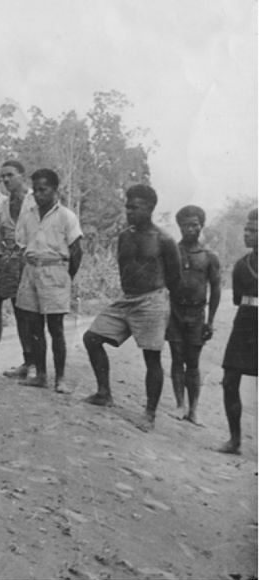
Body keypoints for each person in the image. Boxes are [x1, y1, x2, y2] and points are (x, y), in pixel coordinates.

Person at [82, 184, 180, 430]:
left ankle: (149, 414)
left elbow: (175, 278)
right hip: (127, 299)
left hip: (152, 300)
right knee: (92, 338)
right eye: (127, 206)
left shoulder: (165, 240)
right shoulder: (125, 236)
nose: (129, 211)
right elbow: (124, 267)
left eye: (135, 207)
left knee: (152, 357)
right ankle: (104, 393)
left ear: (150, 208)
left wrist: (167, 312)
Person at [13, 168, 83, 393]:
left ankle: (60, 378)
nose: (38, 195)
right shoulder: (28, 215)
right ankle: (41, 375)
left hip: (56, 271)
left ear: (55, 190)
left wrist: (65, 276)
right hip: (32, 270)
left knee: (56, 328)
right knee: (34, 326)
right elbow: (21, 244)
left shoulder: (66, 217)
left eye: (43, 190)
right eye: (35, 191)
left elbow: (76, 251)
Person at [166, 205, 221, 424]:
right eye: (186, 225)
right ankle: (180, 405)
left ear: (202, 226)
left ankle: (193, 410)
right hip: (175, 311)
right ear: (179, 226)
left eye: (195, 224)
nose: (191, 229)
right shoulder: (172, 252)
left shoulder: (209, 257)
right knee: (177, 357)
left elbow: (215, 289)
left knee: (194, 362)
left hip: (197, 313)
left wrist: (210, 321)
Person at [0, 161, 37, 379]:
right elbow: (0, 232)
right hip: (11, 263)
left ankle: (38, 363)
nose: (6, 180)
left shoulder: (35, 200)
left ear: (22, 175)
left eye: (10, 175)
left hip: (34, 262)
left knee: (34, 312)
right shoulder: (3, 204)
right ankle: (27, 361)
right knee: (19, 311)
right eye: (3, 177)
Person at [217, 209, 257, 454]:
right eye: (246, 229)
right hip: (244, 325)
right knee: (230, 380)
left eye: (253, 231)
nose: (247, 234)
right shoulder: (241, 266)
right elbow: (237, 299)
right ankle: (235, 440)